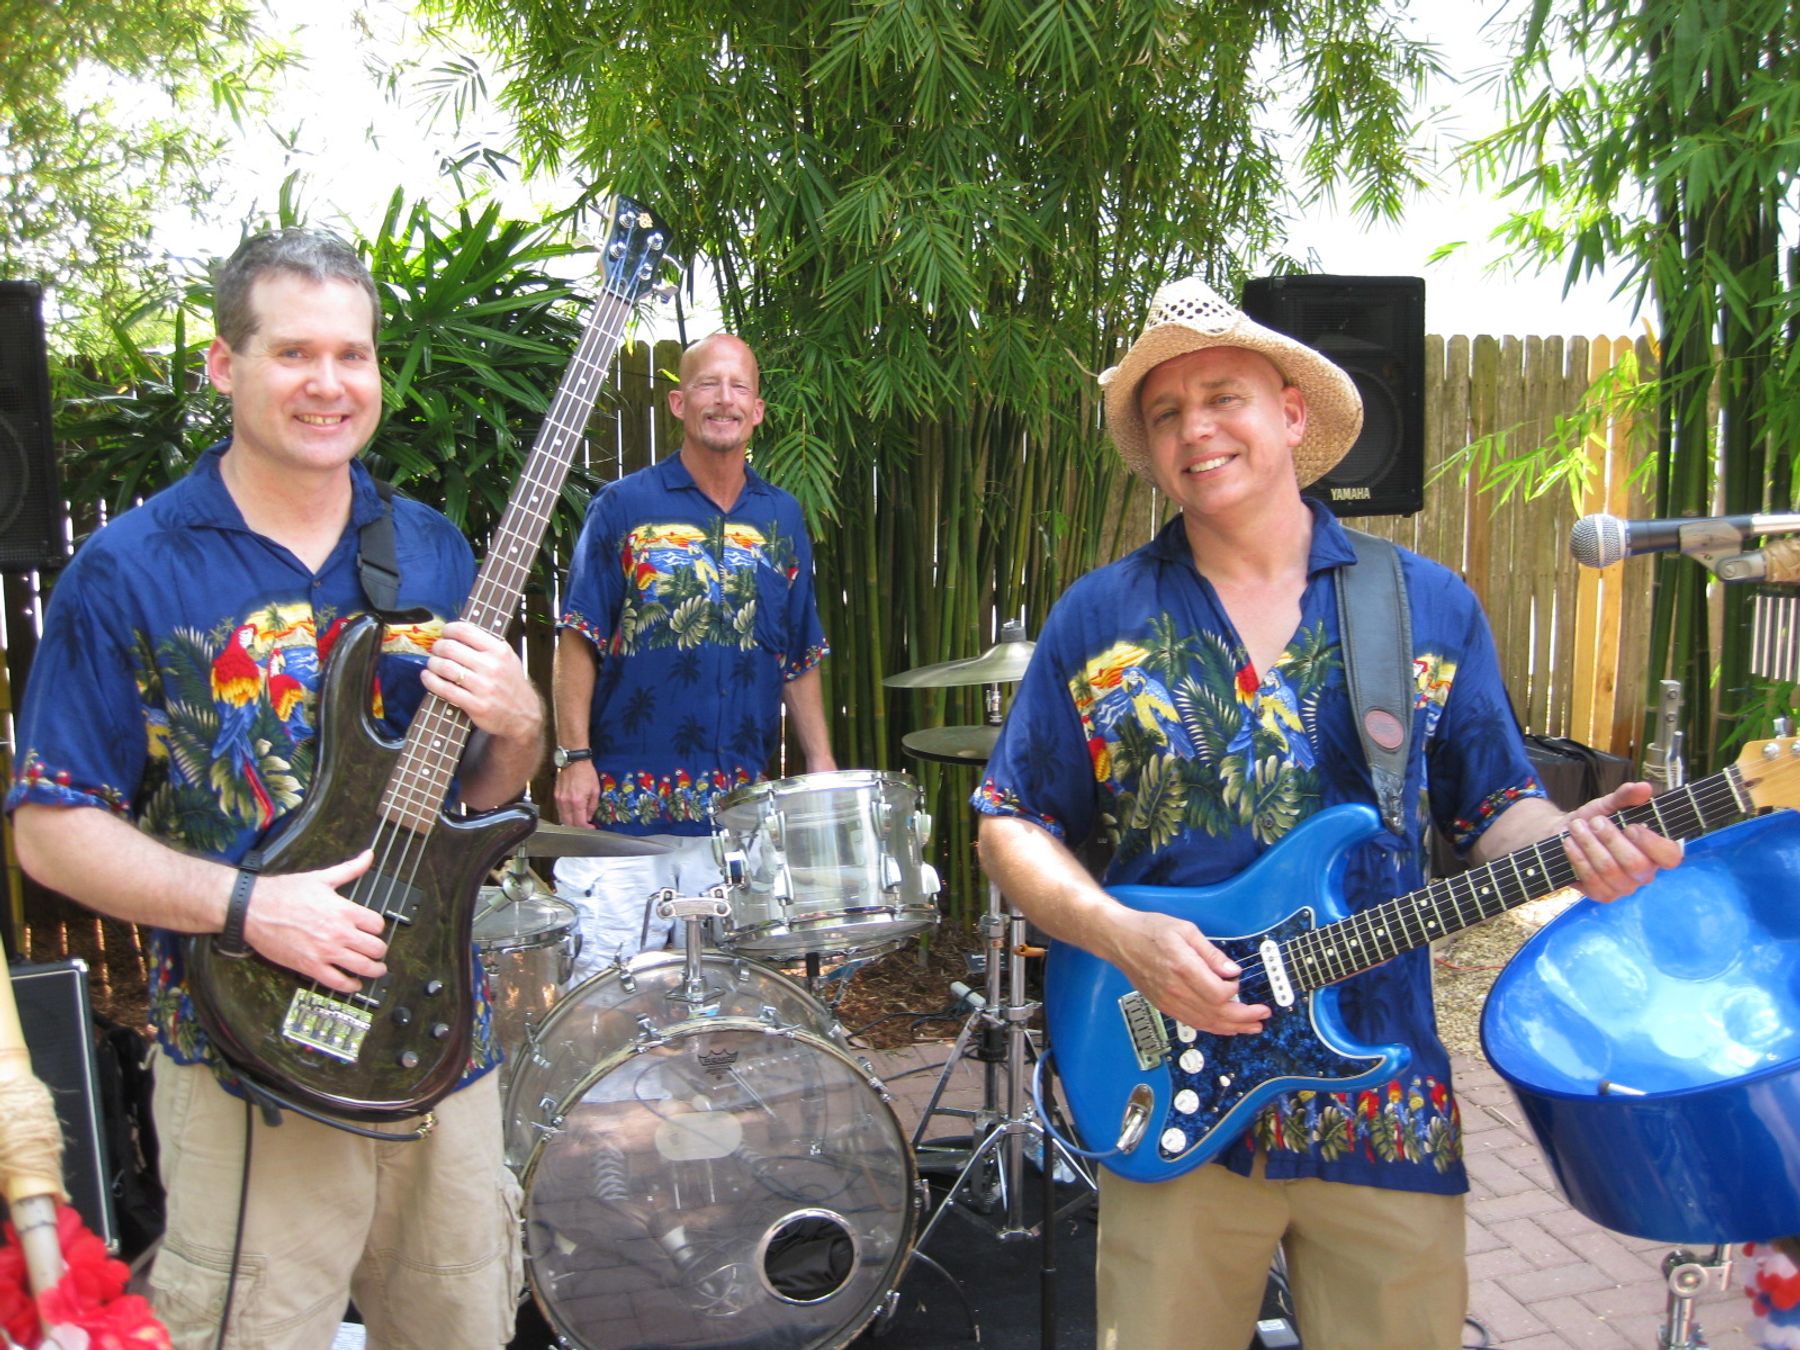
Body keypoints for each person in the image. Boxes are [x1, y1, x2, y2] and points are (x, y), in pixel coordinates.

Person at [972, 277, 1684, 1349]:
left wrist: (1577, 848)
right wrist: (1122, 936)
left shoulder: (1424, 605)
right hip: (1177, 1104)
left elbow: (1499, 810)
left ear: (1294, 416)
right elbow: (1009, 822)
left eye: (1224, 397)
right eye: (1165, 413)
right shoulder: (1101, 615)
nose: (1195, 429)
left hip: (1382, 1107)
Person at [7, 228, 543, 1349]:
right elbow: (53, 832)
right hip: (246, 1058)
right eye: (295, 352)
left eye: (353, 355)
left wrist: (522, 723)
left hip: (439, 1042)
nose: (329, 384)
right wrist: (253, 908)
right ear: (223, 365)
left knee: (464, 1326)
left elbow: (484, 799)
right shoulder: (133, 569)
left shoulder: (434, 551)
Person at [551, 332, 835, 977]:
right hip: (625, 809)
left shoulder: (781, 517)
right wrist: (574, 757)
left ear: (757, 411)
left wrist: (819, 761)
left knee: (719, 1007)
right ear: (679, 403)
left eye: (739, 387)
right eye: (709, 384)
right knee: (608, 992)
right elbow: (577, 636)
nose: (724, 400)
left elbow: (799, 651)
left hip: (735, 813)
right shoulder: (623, 506)